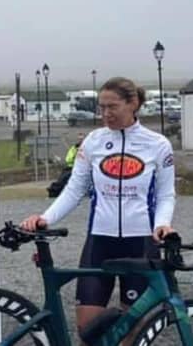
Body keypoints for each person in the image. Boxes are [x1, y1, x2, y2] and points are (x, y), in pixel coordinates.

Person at [22, 77, 175, 343]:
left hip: (140, 242)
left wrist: (162, 223)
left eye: (112, 106)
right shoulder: (93, 141)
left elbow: (165, 194)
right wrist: (45, 217)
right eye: (101, 107)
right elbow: (74, 189)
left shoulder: (157, 144)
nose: (105, 113)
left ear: (133, 103)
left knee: (134, 332)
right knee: (88, 330)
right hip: (100, 240)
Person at [47, 132, 85, 198]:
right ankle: (54, 190)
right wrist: (75, 156)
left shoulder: (87, 148)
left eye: (82, 139)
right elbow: (68, 159)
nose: (80, 140)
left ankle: (56, 190)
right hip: (71, 167)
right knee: (62, 177)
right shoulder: (74, 148)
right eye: (79, 139)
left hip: (81, 168)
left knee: (66, 177)